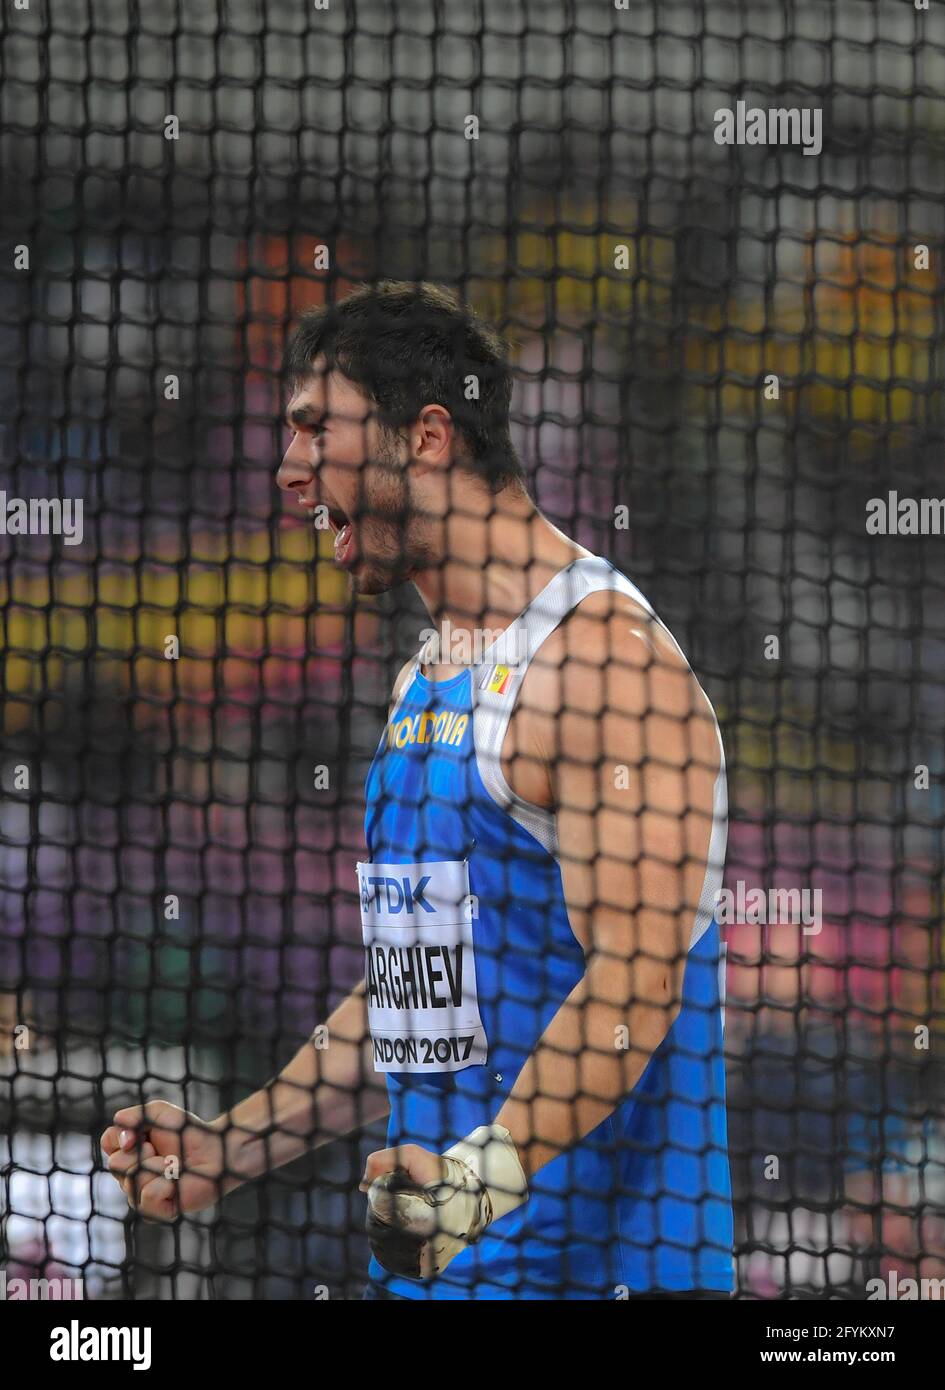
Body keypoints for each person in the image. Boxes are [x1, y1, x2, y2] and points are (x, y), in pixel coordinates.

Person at [102, 281, 733, 1300]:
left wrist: (474, 1183)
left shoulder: (607, 664)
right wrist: (228, 1147)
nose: (289, 472)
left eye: (317, 429)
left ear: (427, 436)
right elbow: (418, 1000)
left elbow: (638, 979)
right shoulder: (426, 678)